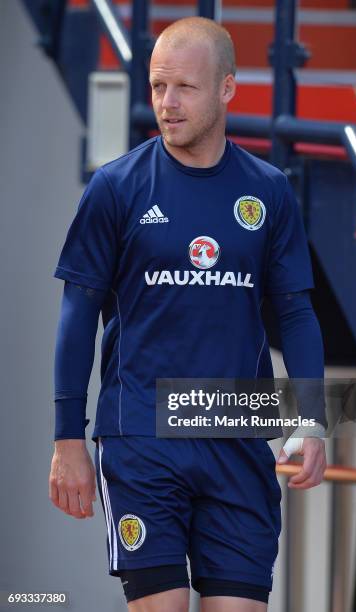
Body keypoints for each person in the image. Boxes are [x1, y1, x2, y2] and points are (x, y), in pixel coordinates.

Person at [49, 16, 327, 612]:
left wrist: (314, 417)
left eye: (184, 88)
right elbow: (77, 315)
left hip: (236, 430)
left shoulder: (270, 191)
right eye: (156, 87)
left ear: (227, 88)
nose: (166, 105)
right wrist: (67, 437)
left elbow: (296, 313)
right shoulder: (116, 188)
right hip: (141, 433)